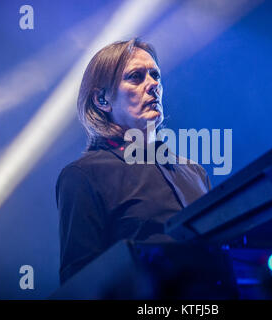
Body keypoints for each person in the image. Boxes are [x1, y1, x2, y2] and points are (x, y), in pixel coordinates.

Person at [56, 38, 211, 285]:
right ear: (102, 100)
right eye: (136, 77)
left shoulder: (195, 171)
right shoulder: (83, 175)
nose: (153, 85)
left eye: (155, 76)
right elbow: (79, 280)